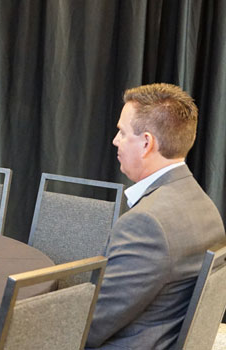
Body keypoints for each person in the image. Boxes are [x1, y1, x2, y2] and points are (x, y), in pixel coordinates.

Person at [86, 83, 225, 349]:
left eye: (122, 132)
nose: (115, 140)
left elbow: (90, 328)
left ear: (147, 143)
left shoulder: (146, 224)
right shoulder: (207, 207)